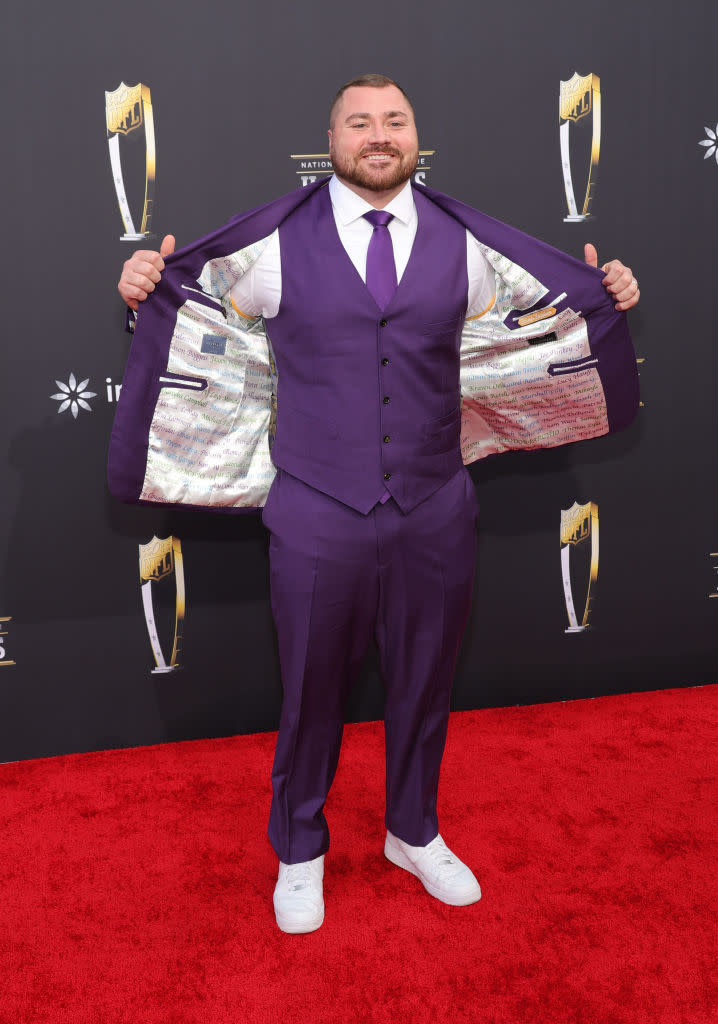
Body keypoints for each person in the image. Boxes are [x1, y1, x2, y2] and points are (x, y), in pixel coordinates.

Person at [115, 74, 640, 935]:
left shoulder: (467, 245)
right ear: (333, 141)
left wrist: (607, 291)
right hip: (317, 506)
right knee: (311, 691)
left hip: (436, 502)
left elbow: (545, 314)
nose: (379, 134)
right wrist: (144, 281)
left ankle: (413, 830)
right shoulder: (274, 243)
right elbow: (192, 309)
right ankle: (299, 851)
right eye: (360, 122)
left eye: (394, 120)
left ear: (415, 139)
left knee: (427, 682)